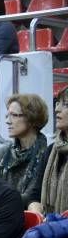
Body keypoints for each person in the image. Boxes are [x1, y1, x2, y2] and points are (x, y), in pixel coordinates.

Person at [0, 93, 50, 209]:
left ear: (31, 119)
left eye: (14, 115)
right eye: (7, 116)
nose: (8, 121)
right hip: (2, 214)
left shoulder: (47, 153)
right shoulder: (2, 153)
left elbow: (32, 196)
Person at [40, 86, 68, 215]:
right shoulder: (52, 149)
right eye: (57, 103)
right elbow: (35, 191)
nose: (57, 109)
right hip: (54, 223)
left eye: (65, 105)